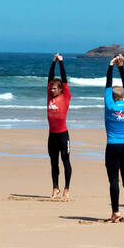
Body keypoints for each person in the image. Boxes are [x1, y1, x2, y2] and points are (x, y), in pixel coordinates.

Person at [103, 54, 124, 222]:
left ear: (113, 97)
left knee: (114, 180)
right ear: (123, 96)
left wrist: (110, 66)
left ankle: (116, 212)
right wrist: (121, 67)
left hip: (112, 146)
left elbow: (107, 85)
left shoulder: (109, 106)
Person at [46, 53, 72, 201]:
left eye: (55, 88)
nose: (52, 90)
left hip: (63, 135)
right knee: (53, 162)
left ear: (61, 89)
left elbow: (64, 79)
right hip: (52, 135)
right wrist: (53, 62)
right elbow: (50, 78)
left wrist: (61, 62)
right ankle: (55, 187)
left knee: (65, 161)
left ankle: (66, 188)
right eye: (52, 88)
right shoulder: (49, 97)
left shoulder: (65, 96)